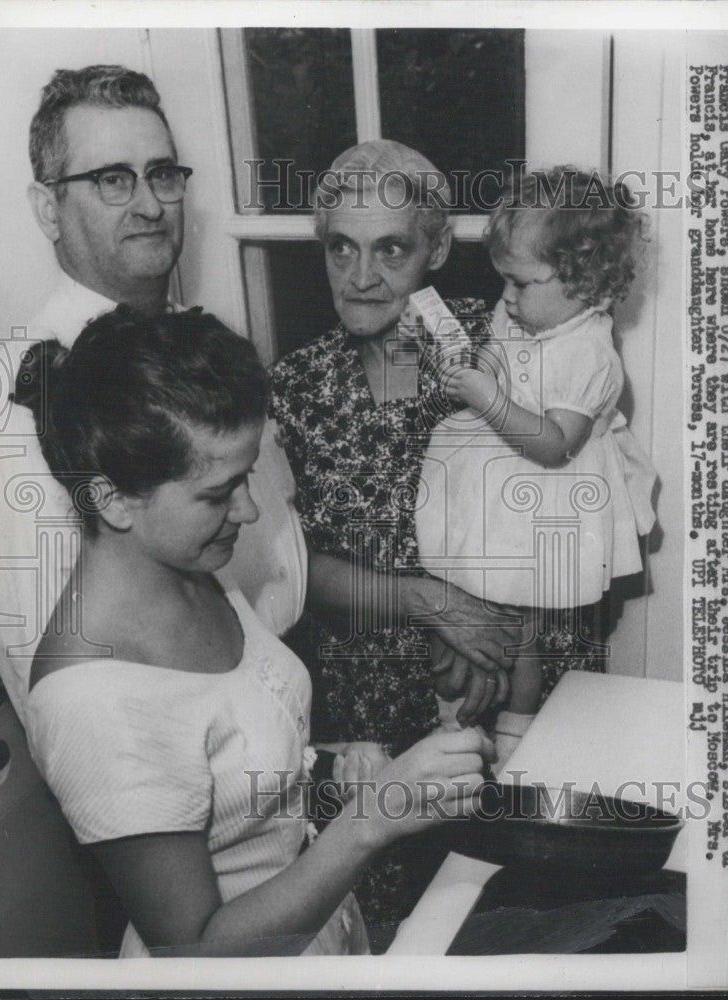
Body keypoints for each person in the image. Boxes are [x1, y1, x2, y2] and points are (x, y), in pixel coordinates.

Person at [14, 306, 495, 957]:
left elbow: (232, 770)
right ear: (112, 500)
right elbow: (192, 954)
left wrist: (337, 763)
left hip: (315, 926)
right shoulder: (91, 700)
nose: (249, 508)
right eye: (219, 492)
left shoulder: (185, 565)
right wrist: (369, 823)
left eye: (245, 476)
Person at [0, 65, 304, 732]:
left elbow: (267, 544)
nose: (149, 203)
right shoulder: (26, 398)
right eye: (112, 179)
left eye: (163, 174)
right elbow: (63, 685)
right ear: (47, 208)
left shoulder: (193, 347)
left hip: (278, 706)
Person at [269, 140, 521, 928]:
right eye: (341, 247)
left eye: (391, 248)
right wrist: (428, 601)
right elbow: (289, 568)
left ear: (438, 248)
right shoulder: (295, 387)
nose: (361, 275)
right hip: (359, 722)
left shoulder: (500, 349)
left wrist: (490, 635)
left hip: (497, 691)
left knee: (490, 920)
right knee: (375, 932)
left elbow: (560, 513)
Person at [415, 166, 657, 766]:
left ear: (585, 282)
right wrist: (477, 371)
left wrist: (488, 399)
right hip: (498, 482)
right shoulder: (522, 313)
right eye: (505, 282)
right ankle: (459, 714)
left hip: (549, 492)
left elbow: (553, 444)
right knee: (468, 593)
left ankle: (516, 731)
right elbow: (500, 359)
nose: (507, 298)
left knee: (524, 619)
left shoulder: (589, 353)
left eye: (521, 284)